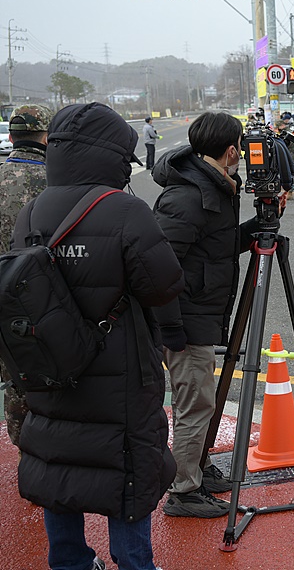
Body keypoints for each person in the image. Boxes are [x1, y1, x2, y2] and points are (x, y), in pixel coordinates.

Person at [12, 102, 184, 570]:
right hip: (120, 369)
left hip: (51, 364)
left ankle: (69, 561)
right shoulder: (125, 210)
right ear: (110, 155)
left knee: (57, 461)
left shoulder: (31, 212)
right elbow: (163, 285)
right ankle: (134, 562)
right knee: (128, 464)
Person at [152, 111, 260, 518]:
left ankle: (197, 468)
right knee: (195, 406)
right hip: (185, 319)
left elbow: (213, 247)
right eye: (242, 146)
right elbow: (159, 267)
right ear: (232, 150)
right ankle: (184, 491)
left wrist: (258, 227)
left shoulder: (213, 184)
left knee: (200, 402)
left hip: (197, 314)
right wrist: (171, 327)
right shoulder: (189, 195)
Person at [0, 104, 53, 449]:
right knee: (30, 380)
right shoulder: (52, 182)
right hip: (32, 300)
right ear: (46, 138)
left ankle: (23, 448)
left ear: (11, 136)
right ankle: (35, 454)